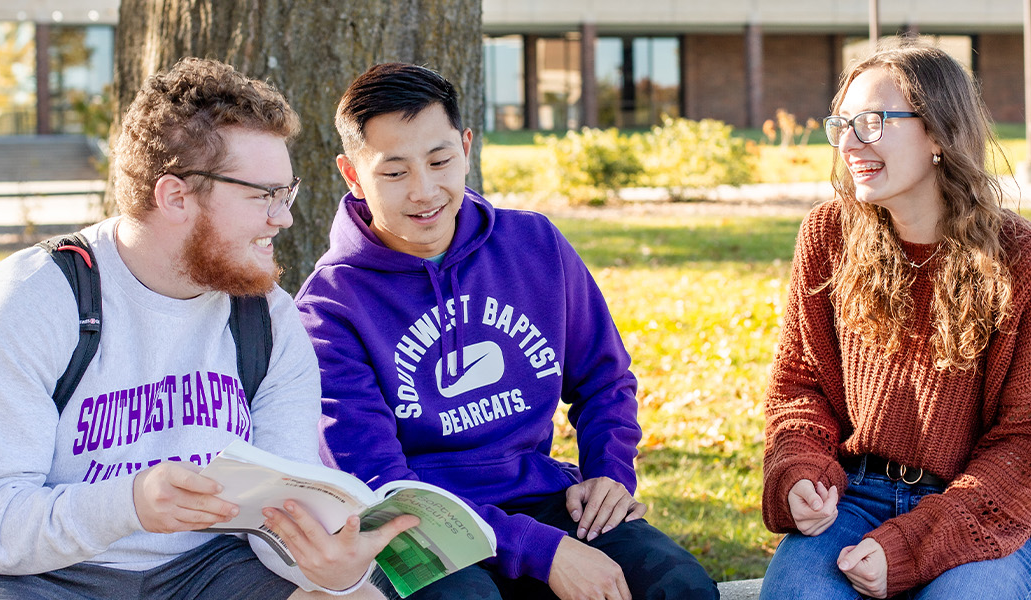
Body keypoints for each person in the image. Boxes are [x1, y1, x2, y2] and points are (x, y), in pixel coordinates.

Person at [0, 57, 415, 600]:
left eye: (287, 193)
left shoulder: (268, 319)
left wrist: (331, 569)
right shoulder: (26, 304)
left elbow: (277, 522)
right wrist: (130, 503)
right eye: (262, 195)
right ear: (175, 197)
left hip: (200, 566)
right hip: (21, 576)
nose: (282, 218)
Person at [293, 62, 718, 600]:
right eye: (394, 172)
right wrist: (543, 552)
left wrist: (610, 473)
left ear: (467, 148)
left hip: (539, 495)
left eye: (440, 160)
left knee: (678, 586)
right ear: (353, 175)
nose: (425, 191)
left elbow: (605, 379)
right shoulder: (330, 307)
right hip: (414, 525)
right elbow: (380, 486)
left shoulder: (534, 244)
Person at [758, 45, 1031, 599]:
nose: (849, 142)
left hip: (991, 516)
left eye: (872, 122)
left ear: (938, 134)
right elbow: (800, 385)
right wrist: (800, 470)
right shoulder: (828, 237)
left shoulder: (1026, 262)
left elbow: (1027, 444)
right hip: (854, 499)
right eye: (842, 124)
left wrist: (913, 545)